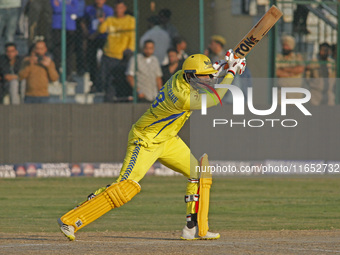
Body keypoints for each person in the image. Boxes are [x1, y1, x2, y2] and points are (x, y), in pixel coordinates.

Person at [57, 49, 246, 241]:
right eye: (203, 78)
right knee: (124, 187)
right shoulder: (181, 97)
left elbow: (206, 73)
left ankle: (193, 228)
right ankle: (71, 220)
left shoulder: (181, 75)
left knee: (198, 173)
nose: (208, 80)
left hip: (168, 139)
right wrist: (230, 72)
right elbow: (216, 98)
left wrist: (225, 64)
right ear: (191, 77)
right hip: (144, 140)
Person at [92, 0, 135, 93]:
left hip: (121, 56)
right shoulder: (110, 19)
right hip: (108, 54)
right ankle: (100, 91)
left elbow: (132, 37)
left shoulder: (130, 20)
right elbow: (101, 30)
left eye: (120, 8)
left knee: (116, 79)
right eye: (116, 8)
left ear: (124, 8)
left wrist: (130, 50)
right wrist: (101, 21)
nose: (118, 10)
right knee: (103, 77)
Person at [82, 0, 114, 90]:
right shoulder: (89, 9)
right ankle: (94, 82)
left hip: (103, 38)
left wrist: (102, 23)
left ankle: (104, 82)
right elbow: (84, 21)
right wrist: (87, 33)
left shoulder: (108, 10)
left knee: (104, 61)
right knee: (92, 60)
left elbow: (109, 24)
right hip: (91, 39)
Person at [51, 0, 78, 79]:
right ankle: (56, 73)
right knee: (57, 51)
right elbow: (55, 9)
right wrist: (68, 8)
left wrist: (61, 6)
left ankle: (68, 74)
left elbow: (75, 9)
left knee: (69, 52)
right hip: (57, 26)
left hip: (70, 26)